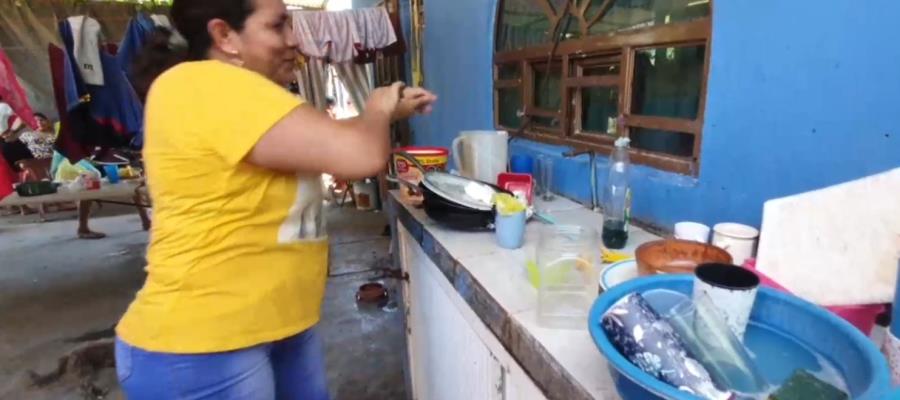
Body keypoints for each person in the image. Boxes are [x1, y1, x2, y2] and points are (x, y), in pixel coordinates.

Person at [114, 1, 436, 399]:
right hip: (204, 345)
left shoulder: (221, 92)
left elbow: (330, 142)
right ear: (224, 36)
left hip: (272, 325)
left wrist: (383, 114)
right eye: (278, 26)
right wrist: (377, 106)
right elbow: (361, 155)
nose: (293, 39)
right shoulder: (208, 84)